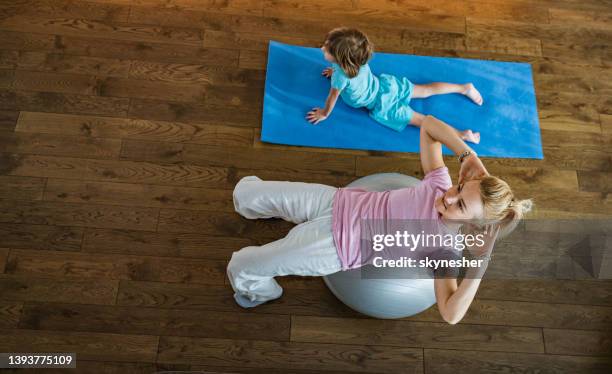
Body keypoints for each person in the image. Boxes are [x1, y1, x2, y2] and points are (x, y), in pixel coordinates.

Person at [227, 115, 532, 324]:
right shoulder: (439, 184)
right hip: (335, 200)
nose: (450, 197)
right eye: (460, 187)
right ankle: (251, 209)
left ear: (474, 225)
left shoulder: (443, 250)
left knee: (242, 265)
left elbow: (450, 314)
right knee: (247, 193)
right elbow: (428, 126)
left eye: (461, 205)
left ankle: (260, 292)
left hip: (332, 246)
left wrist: (480, 264)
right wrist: (467, 156)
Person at [306, 27, 482, 144]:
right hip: (387, 86)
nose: (322, 48)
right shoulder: (357, 58)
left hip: (383, 106)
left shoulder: (340, 76)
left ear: (342, 60)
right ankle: (464, 88)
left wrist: (324, 113)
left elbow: (332, 97)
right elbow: (345, 70)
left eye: (326, 48)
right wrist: (334, 69)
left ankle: (461, 135)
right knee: (426, 89)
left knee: (422, 120)